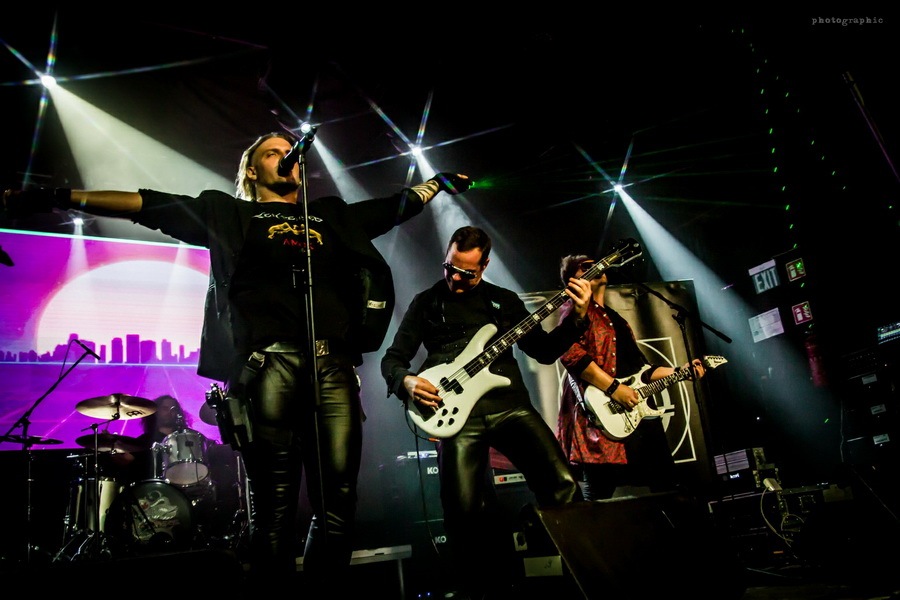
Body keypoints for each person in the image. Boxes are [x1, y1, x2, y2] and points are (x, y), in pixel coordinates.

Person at [2, 131, 471, 589]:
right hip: (268, 369)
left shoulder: (330, 216)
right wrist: (57, 196)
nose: (286, 156)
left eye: (290, 150)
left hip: (332, 368)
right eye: (273, 152)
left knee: (339, 502)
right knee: (275, 508)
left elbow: (393, 207)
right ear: (252, 170)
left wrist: (436, 184)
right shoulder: (228, 213)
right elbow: (147, 204)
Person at [380, 225, 592, 598]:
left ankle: (583, 582)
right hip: (455, 415)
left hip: (508, 407)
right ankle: (481, 594)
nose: (455, 279)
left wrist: (576, 317)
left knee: (563, 484)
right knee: (463, 511)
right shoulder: (426, 302)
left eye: (467, 273)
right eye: (450, 268)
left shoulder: (503, 301)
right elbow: (393, 359)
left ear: (485, 265)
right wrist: (406, 382)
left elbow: (543, 351)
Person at [555, 254, 707, 500]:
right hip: (600, 413)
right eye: (586, 266)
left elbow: (641, 369)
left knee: (666, 484)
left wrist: (681, 371)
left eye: (597, 263)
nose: (597, 267)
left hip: (634, 410)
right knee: (599, 491)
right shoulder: (574, 312)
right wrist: (615, 389)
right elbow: (571, 356)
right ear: (574, 280)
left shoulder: (615, 318)